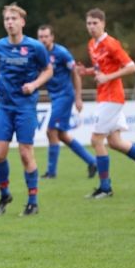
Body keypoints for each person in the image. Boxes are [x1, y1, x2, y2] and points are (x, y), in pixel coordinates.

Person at [79, 8, 135, 198]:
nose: (92, 27)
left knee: (96, 140)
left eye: (95, 23)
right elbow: (100, 67)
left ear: (103, 24)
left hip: (112, 97)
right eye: (89, 23)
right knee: (115, 142)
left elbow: (131, 67)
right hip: (105, 97)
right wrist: (87, 71)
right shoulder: (92, 44)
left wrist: (108, 77)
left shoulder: (111, 44)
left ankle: (105, 187)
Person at [0, 3, 53, 216]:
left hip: (25, 106)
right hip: (4, 105)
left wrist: (34, 85)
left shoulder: (35, 47)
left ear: (22, 22)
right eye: (7, 19)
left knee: (25, 153)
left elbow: (48, 70)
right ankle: (4, 194)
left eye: (14, 18)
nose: (10, 22)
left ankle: (33, 202)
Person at [37, 25, 97, 179]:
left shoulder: (61, 53)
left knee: (51, 131)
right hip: (55, 97)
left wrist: (78, 97)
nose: (43, 40)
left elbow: (75, 73)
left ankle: (51, 172)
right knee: (62, 135)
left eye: (46, 36)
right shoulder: (39, 53)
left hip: (64, 96)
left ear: (52, 37)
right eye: (41, 37)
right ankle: (92, 161)